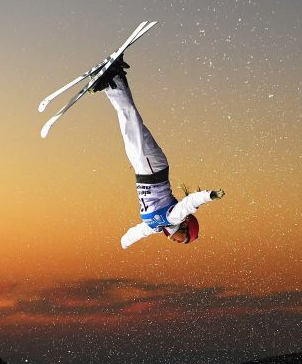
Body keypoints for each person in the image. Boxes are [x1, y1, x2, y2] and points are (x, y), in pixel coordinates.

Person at [91, 57, 225, 249]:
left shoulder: (154, 227)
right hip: (152, 169)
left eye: (182, 243)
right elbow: (188, 204)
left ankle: (114, 80)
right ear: (185, 225)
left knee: (131, 128)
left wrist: (123, 243)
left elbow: (134, 234)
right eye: (184, 239)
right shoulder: (173, 217)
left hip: (144, 170)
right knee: (131, 128)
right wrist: (209, 195)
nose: (178, 242)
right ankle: (112, 80)